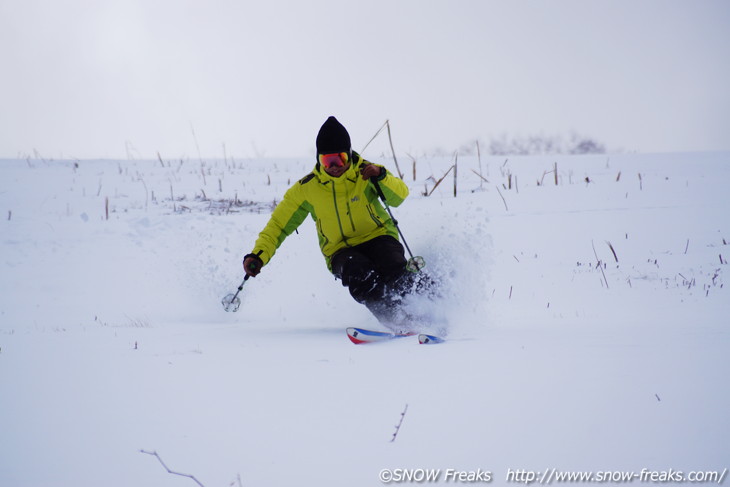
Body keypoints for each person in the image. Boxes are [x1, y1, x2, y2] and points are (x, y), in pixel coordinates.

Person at [242, 116, 434, 330]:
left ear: (349, 154)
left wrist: (381, 176)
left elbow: (400, 196)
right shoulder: (306, 189)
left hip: (379, 236)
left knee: (394, 268)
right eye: (327, 161)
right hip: (340, 251)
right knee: (360, 273)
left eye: (340, 159)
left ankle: (435, 304)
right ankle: (396, 320)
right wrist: (258, 255)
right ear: (319, 160)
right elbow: (278, 225)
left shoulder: (368, 171)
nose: (334, 167)